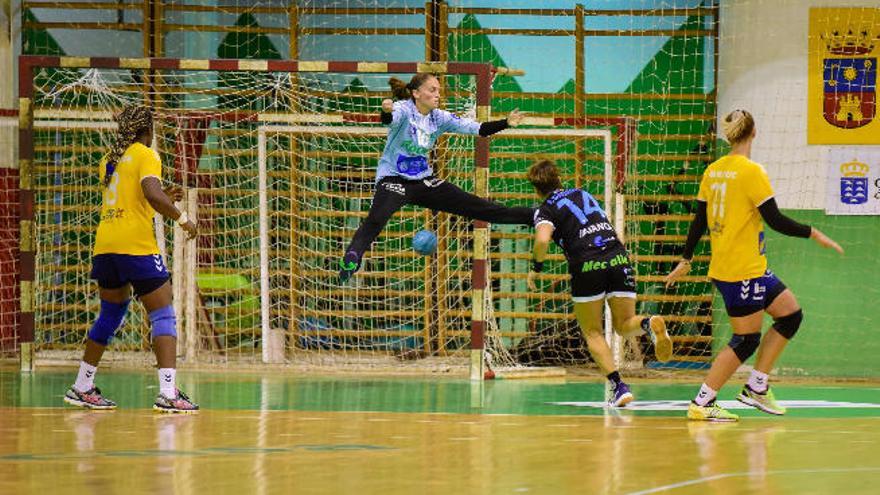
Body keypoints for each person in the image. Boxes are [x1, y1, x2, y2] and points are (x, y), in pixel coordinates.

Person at [665, 109, 844, 422]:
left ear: (728, 135)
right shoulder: (751, 172)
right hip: (740, 271)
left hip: (747, 267)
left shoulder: (714, 171)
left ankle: (756, 386)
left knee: (790, 315)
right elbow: (774, 220)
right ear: (754, 133)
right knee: (746, 339)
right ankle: (702, 402)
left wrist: (686, 258)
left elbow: (699, 220)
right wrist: (813, 232)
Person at [63, 105, 200, 413]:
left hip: (106, 247)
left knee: (110, 315)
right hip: (135, 246)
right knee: (163, 313)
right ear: (147, 130)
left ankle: (82, 386)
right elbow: (151, 193)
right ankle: (168, 393)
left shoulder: (109, 161)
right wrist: (182, 218)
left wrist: (163, 195)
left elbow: (135, 201)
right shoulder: (145, 154)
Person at [339, 73, 534, 282]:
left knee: (479, 207)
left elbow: (479, 129)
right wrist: (385, 110)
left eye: (439, 90)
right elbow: (389, 119)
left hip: (423, 181)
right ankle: (352, 258)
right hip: (394, 180)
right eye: (432, 90)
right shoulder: (404, 109)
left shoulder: (439, 117)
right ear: (416, 93)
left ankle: (533, 216)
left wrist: (506, 122)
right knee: (375, 220)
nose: (438, 94)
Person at [526, 160, 673, 407]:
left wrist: (536, 268)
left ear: (536, 189)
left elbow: (542, 241)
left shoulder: (545, 209)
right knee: (625, 324)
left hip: (587, 262)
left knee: (593, 331)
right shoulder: (582, 193)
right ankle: (649, 323)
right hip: (617, 255)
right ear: (559, 178)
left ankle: (619, 386)